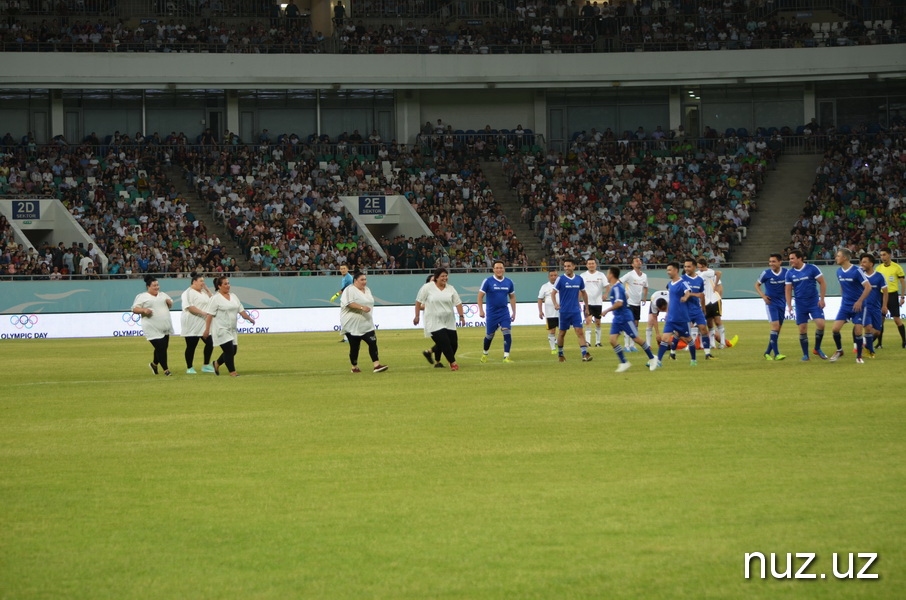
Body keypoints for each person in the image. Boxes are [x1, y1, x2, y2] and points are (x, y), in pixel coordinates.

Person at [601, 267, 656, 372]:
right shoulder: (617, 287)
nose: (607, 275)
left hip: (625, 318)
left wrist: (606, 310)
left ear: (611, 274)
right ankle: (624, 362)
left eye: (608, 273)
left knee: (636, 339)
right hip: (618, 318)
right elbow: (626, 296)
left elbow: (619, 303)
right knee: (612, 340)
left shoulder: (617, 288)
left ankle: (652, 358)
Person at [414, 267, 466, 371]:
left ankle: (443, 356)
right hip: (434, 320)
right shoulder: (427, 287)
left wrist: (461, 316)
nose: (445, 278)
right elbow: (418, 301)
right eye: (442, 276)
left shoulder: (450, 288)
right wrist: (417, 316)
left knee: (453, 344)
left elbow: (458, 302)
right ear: (437, 277)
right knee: (444, 342)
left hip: (449, 320)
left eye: (446, 276)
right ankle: (453, 363)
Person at [204, 276, 256, 377]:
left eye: (228, 283)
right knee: (229, 350)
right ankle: (232, 372)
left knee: (234, 350)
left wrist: (249, 318)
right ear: (219, 286)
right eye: (225, 284)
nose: (228, 286)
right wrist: (207, 330)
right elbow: (209, 315)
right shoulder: (215, 299)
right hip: (221, 328)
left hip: (232, 329)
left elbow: (241, 310)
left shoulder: (234, 296)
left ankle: (217, 363)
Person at [828, 249, 871, 363]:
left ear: (845, 258)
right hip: (845, 306)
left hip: (859, 306)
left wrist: (860, 301)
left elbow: (868, 287)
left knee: (858, 331)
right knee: (835, 329)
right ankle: (839, 350)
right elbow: (843, 287)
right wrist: (844, 300)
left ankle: (859, 357)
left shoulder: (857, 271)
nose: (836, 258)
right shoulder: (838, 272)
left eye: (838, 256)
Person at [341, 272, 389, 373]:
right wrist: (362, 307)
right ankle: (354, 367)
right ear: (355, 281)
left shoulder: (367, 290)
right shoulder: (349, 290)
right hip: (352, 324)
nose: (364, 282)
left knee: (372, 342)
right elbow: (349, 303)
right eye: (362, 280)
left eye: (365, 279)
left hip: (366, 322)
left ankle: (376, 365)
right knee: (354, 348)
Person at [785, 249, 828, 361]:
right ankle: (805, 355)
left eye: (792, 258)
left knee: (821, 324)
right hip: (800, 304)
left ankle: (817, 348)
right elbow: (788, 290)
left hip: (814, 302)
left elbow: (822, 282)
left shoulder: (812, 268)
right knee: (802, 329)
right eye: (790, 259)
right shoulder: (790, 273)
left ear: (800, 258)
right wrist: (789, 305)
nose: (790, 261)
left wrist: (822, 299)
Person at [650, 262, 695, 370]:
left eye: (669, 270)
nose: (668, 272)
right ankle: (659, 361)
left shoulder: (682, 282)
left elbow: (688, 292)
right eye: (667, 270)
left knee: (688, 339)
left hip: (681, 318)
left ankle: (693, 359)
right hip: (671, 317)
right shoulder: (670, 284)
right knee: (664, 338)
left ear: (676, 270)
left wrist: (685, 297)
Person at [551, 258, 592, 362]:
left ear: (574, 266)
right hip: (564, 311)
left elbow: (584, 293)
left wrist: (587, 307)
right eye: (565, 266)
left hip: (575, 311)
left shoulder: (579, 279)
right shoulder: (560, 279)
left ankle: (584, 354)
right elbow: (553, 293)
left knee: (580, 332)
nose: (566, 268)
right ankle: (560, 354)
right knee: (562, 333)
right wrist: (555, 304)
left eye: (569, 266)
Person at [132, 274, 174, 376]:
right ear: (148, 287)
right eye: (154, 285)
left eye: (157, 285)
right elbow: (134, 309)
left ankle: (154, 364)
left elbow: (169, 305)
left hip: (165, 326)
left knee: (162, 348)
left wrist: (169, 303)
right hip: (151, 327)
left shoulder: (163, 295)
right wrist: (144, 310)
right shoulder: (142, 297)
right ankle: (166, 370)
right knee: (161, 348)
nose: (157, 287)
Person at [477, 260, 516, 363]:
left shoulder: (509, 282)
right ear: (493, 269)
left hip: (504, 312)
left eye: (501, 268)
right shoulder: (487, 281)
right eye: (497, 268)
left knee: (506, 331)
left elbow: (512, 297)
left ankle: (506, 356)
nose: (499, 270)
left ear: (504, 269)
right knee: (490, 335)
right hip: (491, 313)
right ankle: (485, 353)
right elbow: (480, 296)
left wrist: (514, 312)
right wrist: (481, 310)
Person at [754, 253, 788, 360]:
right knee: (775, 327)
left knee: (778, 329)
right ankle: (777, 354)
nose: (771, 263)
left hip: (782, 303)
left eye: (773, 261)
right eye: (770, 261)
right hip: (771, 303)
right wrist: (763, 296)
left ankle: (767, 352)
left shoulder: (786, 273)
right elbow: (757, 285)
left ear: (780, 262)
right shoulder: (766, 273)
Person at [697, 256, 735, 349]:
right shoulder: (697, 274)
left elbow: (719, 276)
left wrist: (718, 296)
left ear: (704, 265)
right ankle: (712, 344)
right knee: (709, 323)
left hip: (714, 299)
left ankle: (722, 342)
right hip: (704, 301)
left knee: (717, 321)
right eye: (698, 267)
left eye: (700, 267)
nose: (699, 269)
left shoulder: (710, 272)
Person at [181, 272, 215, 374]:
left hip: (203, 324)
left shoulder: (203, 293)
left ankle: (205, 365)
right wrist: (204, 313)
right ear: (194, 282)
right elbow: (190, 307)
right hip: (191, 324)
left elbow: (213, 300)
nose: (202, 283)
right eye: (201, 281)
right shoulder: (188, 293)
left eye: (203, 282)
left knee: (210, 343)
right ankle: (189, 367)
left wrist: (207, 289)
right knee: (191, 346)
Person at [682, 258, 713, 360]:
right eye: (685, 266)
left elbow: (702, 295)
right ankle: (672, 353)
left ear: (694, 267)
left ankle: (707, 354)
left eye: (688, 266)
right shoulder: (682, 279)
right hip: (685, 309)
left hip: (697, 309)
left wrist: (703, 308)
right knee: (680, 332)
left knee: (704, 329)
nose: (686, 268)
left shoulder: (700, 280)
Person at [859, 253, 888, 359]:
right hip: (864, 306)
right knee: (868, 327)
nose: (862, 264)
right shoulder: (859, 274)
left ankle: (863, 343)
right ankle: (870, 351)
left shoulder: (879, 276)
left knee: (877, 331)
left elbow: (885, 291)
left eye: (865, 262)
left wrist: (884, 305)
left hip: (876, 307)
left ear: (871, 264)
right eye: (861, 262)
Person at [876, 247, 906, 349]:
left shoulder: (897, 267)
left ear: (890, 255)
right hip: (881, 295)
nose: (882, 257)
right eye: (881, 255)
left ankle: (904, 342)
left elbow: (903, 283)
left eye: (884, 255)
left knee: (897, 320)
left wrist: (902, 297)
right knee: (880, 320)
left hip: (892, 295)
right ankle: (879, 343)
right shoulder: (879, 268)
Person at [619, 256, 648, 352]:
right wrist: (624, 294)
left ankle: (632, 345)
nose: (639, 262)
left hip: (637, 303)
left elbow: (646, 287)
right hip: (629, 303)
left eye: (639, 260)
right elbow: (619, 282)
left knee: (636, 324)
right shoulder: (629, 275)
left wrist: (644, 298)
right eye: (636, 261)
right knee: (629, 323)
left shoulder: (644, 276)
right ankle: (626, 345)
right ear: (632, 264)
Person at [417, 273, 443, 367]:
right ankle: (429, 352)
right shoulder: (425, 293)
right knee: (442, 341)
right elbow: (419, 305)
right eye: (432, 281)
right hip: (431, 320)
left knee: (440, 341)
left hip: (441, 319)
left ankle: (437, 362)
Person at [580, 258, 607, 347]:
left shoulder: (601, 275)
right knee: (588, 321)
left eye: (593, 263)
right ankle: (588, 342)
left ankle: (598, 342)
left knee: (598, 322)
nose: (591, 265)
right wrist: (578, 299)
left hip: (598, 302)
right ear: (586, 265)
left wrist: (606, 294)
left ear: (596, 265)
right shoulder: (583, 275)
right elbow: (580, 289)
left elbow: (607, 286)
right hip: (587, 303)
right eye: (589, 263)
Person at [537, 270, 560, 354]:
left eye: (555, 275)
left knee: (562, 330)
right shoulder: (545, 286)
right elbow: (540, 299)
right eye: (551, 275)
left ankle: (556, 341)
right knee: (552, 330)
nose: (553, 277)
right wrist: (540, 311)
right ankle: (553, 349)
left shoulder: (562, 285)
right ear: (548, 277)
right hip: (550, 313)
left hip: (561, 312)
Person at [331, 264, 354, 342]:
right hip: (345, 299)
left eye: (344, 268)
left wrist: (336, 295)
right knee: (344, 319)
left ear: (347, 269)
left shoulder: (349, 278)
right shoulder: (344, 277)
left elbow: (346, 288)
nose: (342, 270)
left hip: (348, 300)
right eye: (341, 269)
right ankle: (346, 338)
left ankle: (348, 338)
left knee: (345, 318)